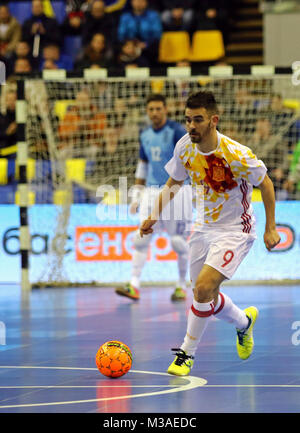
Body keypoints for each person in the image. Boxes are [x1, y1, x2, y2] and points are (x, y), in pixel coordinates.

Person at [139, 91, 281, 376]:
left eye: (198, 120)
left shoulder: (236, 154)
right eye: (188, 120)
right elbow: (173, 182)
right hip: (202, 228)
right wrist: (152, 216)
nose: (191, 126)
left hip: (235, 230)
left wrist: (271, 227)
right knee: (205, 296)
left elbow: (265, 184)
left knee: (202, 289)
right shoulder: (184, 147)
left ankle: (186, 355)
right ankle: (244, 323)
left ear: (214, 120)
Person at [115, 93, 191, 302]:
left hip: (176, 191)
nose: (155, 113)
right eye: (151, 109)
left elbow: (187, 162)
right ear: (147, 112)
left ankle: (181, 286)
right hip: (151, 192)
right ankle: (134, 285)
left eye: (159, 108)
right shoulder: (145, 135)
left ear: (166, 109)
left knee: (178, 242)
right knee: (142, 237)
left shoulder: (177, 132)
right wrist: (136, 196)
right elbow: (143, 165)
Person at [117, 0, 162, 65]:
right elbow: (121, 35)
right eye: (137, 0)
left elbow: (157, 34)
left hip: (148, 48)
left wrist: (146, 44)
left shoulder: (153, 15)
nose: (139, 3)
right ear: (132, 2)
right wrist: (129, 44)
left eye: (142, 1)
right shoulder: (125, 17)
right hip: (129, 46)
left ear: (146, 2)